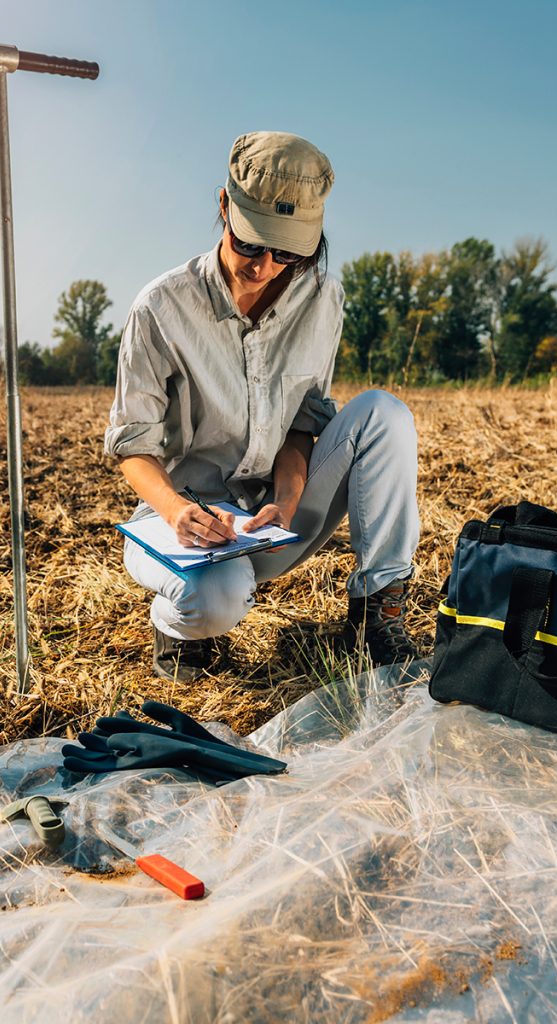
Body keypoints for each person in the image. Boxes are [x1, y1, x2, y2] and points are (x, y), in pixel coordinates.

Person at [105, 131, 421, 681]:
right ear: (224, 206)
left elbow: (303, 425)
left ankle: (378, 613)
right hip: (184, 526)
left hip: (273, 520)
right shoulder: (159, 308)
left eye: (288, 253)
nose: (264, 266)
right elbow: (133, 447)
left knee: (384, 415)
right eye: (249, 244)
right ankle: (178, 623)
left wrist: (287, 500)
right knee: (215, 605)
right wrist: (180, 513)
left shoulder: (322, 298)